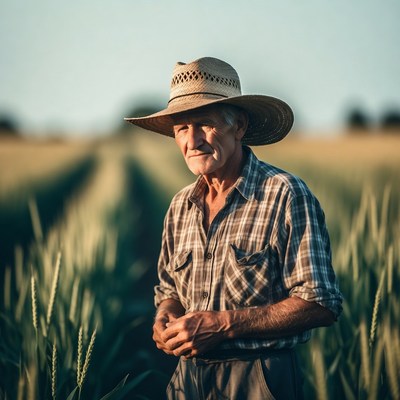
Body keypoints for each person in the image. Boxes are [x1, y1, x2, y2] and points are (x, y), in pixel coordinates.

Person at [125, 57, 342, 400]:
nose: (192, 140)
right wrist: (166, 318)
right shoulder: (180, 206)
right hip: (187, 379)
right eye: (181, 128)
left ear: (238, 126)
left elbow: (320, 302)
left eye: (204, 123)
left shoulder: (284, 195)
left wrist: (222, 325)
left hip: (259, 377)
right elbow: (169, 290)